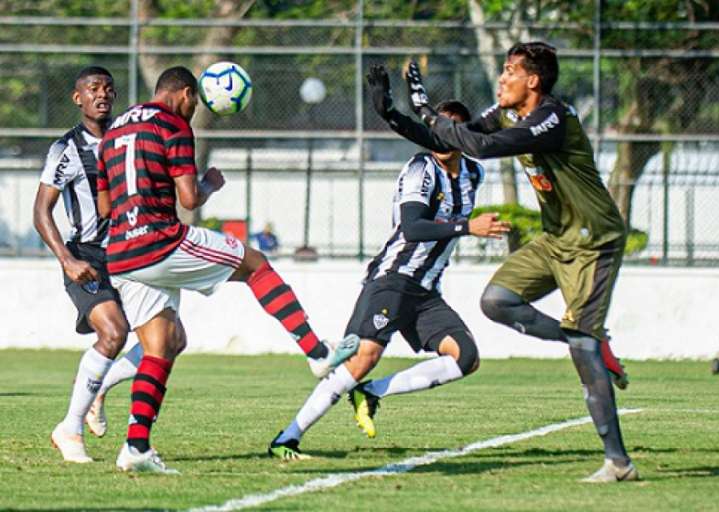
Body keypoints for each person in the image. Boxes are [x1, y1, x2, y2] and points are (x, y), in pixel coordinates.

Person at [371, 43, 639, 482]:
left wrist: (426, 108)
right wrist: (395, 113)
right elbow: (452, 140)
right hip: (555, 239)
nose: (502, 78)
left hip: (595, 242)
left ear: (533, 81)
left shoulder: (552, 118)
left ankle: (619, 462)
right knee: (497, 301)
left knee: (582, 350)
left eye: (510, 71)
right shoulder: (506, 110)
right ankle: (587, 338)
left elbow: (482, 146)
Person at [96, 66, 359, 473]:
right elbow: (188, 198)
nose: (194, 108)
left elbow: (105, 208)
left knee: (159, 347)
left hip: (121, 254)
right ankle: (317, 352)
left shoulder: (113, 132)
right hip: (159, 241)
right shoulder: (172, 124)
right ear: (182, 93)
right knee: (256, 265)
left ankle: (136, 447)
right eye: (195, 101)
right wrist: (210, 184)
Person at [267, 100, 510, 459]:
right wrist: (467, 227)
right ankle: (287, 438)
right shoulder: (420, 169)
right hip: (394, 279)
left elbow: (486, 129)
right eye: (437, 129)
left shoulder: (474, 174)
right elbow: (413, 227)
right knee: (363, 356)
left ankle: (372, 392)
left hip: (426, 290)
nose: (442, 138)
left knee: (466, 357)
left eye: (450, 130)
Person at [33, 66, 151, 463]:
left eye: (108, 89)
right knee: (114, 332)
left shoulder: (128, 141)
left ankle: (99, 386)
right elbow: (41, 211)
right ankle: (70, 428)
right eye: (93, 89)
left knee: (166, 341)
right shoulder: (66, 149)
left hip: (131, 253)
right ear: (77, 98)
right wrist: (66, 260)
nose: (102, 94)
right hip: (87, 256)